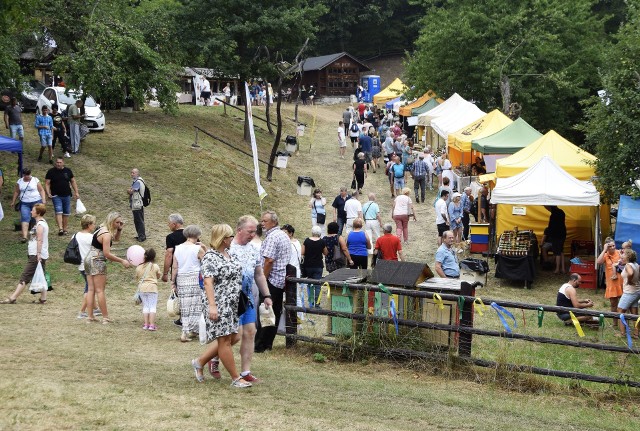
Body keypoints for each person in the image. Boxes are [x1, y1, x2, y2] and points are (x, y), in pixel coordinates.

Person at [210, 215, 272, 382]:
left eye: (254, 232)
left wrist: (266, 295)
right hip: (230, 297)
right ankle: (213, 359)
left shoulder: (254, 249)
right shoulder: (228, 248)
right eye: (249, 231)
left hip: (248, 297)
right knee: (233, 335)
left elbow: (258, 274)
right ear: (239, 230)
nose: (253, 235)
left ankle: (246, 372)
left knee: (251, 332)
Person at [191, 224, 251, 388]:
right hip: (218, 303)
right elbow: (208, 282)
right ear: (224, 239)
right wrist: (212, 306)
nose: (233, 239)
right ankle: (236, 378)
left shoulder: (229, 254)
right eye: (231, 236)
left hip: (232, 303)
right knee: (224, 340)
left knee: (235, 336)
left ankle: (200, 361)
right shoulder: (210, 257)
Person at [254, 211, 291, 353]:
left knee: (265, 311)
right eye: (261, 221)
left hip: (271, 279)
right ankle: (268, 343)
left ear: (273, 222)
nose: (262, 224)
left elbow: (269, 260)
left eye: (265, 221)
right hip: (280, 279)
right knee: (273, 312)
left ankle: (260, 344)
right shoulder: (283, 234)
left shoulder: (272, 237)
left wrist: (262, 277)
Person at [85, 212, 132, 323]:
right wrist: (122, 261)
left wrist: (119, 230)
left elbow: (115, 239)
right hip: (97, 260)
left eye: (120, 222)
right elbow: (107, 253)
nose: (118, 224)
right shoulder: (106, 234)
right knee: (100, 290)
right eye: (117, 222)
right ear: (111, 221)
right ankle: (105, 317)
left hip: (88, 259)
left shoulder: (100, 229)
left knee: (91, 289)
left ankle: (90, 316)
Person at [1, 204, 50, 304]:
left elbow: (39, 240)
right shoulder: (40, 223)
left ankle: (13, 298)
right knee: (42, 275)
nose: (31, 212)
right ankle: (43, 298)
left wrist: (38, 254)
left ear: (38, 213)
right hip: (37, 254)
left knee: (25, 276)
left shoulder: (40, 225)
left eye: (33, 210)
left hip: (36, 255)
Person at [172, 225, 207, 342]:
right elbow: (207, 262)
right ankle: (192, 330)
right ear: (197, 235)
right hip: (195, 278)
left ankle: (185, 332)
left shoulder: (177, 248)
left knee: (185, 306)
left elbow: (175, 267)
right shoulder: (198, 249)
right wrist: (205, 249)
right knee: (196, 305)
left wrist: (173, 282)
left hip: (182, 278)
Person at [45, 158, 80, 236]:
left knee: (66, 213)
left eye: (60, 162)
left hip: (67, 195)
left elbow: (73, 181)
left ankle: (65, 229)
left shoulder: (68, 171)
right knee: (59, 211)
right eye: (57, 162)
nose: (58, 164)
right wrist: (48, 193)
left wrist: (76, 192)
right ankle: (60, 228)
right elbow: (47, 183)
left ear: (63, 163)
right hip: (56, 195)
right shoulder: (51, 171)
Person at [11, 168, 46, 243]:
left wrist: (43, 199)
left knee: (35, 218)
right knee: (25, 217)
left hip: (36, 201)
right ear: (23, 174)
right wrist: (13, 201)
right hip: (24, 203)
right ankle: (24, 237)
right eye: (25, 175)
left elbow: (41, 190)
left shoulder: (35, 180)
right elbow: (17, 192)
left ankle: (35, 234)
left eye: (28, 174)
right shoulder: (20, 181)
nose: (27, 176)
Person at [597, 237, 623, 325]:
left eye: (613, 245)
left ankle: (623, 322)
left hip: (622, 282)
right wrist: (604, 250)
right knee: (613, 304)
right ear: (607, 247)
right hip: (612, 283)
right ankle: (615, 322)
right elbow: (598, 262)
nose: (612, 247)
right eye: (610, 246)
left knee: (624, 304)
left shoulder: (619, 252)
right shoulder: (605, 255)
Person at [76, 214, 97, 319]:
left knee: (89, 287)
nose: (94, 225)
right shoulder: (91, 237)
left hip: (80, 265)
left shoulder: (76, 235)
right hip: (90, 265)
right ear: (89, 225)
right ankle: (82, 311)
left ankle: (95, 308)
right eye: (93, 223)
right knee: (89, 289)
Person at [615, 249, 640, 338]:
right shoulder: (636, 265)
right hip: (637, 292)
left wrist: (629, 281)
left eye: (624, 254)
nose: (622, 256)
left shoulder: (628, 265)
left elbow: (630, 273)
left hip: (629, 292)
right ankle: (636, 333)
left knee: (620, 311)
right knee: (634, 313)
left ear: (628, 257)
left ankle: (622, 333)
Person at [301, 226, 328, 307]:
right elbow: (326, 253)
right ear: (319, 233)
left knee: (309, 284)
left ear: (312, 232)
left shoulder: (307, 241)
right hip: (318, 266)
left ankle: (310, 302)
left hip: (308, 265)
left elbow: (302, 252)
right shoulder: (322, 242)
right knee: (317, 285)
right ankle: (317, 303)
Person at [136, 248, 162, 331]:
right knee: (152, 306)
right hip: (152, 288)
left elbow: (137, 277)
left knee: (146, 306)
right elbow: (158, 276)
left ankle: (146, 324)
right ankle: (152, 325)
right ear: (154, 257)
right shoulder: (155, 266)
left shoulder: (139, 267)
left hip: (142, 288)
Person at [162, 214, 186, 282]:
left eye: (169, 223)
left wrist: (165, 273)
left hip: (178, 270)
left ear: (174, 224)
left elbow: (169, 255)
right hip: (193, 270)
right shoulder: (192, 235)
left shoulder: (171, 237)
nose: (168, 225)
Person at [544, 205, 567, 274]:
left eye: (547, 208)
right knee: (561, 251)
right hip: (563, 234)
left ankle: (557, 269)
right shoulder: (562, 212)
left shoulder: (553, 214)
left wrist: (548, 234)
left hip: (556, 235)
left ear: (551, 207)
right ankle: (563, 269)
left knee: (557, 252)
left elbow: (550, 226)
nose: (547, 209)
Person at [128, 168, 146, 242]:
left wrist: (129, 190)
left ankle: (141, 236)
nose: (132, 174)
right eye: (131, 173)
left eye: (133, 173)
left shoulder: (138, 182)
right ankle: (140, 235)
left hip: (137, 204)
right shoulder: (140, 180)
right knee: (138, 220)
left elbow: (131, 191)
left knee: (138, 220)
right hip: (138, 203)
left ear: (137, 174)